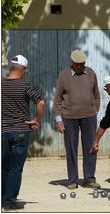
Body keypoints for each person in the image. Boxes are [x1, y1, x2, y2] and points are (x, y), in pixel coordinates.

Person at [2, 55, 45, 211]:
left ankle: (3, 199)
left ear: (12, 68)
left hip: (2, 132)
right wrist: (36, 120)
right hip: (20, 131)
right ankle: (9, 202)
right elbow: (41, 102)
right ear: (23, 69)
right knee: (15, 168)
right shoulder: (25, 85)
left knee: (4, 167)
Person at [53, 49, 101, 190]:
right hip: (69, 118)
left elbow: (96, 94)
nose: (80, 66)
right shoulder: (63, 75)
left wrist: (94, 109)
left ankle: (89, 179)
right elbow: (57, 99)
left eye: (82, 63)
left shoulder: (91, 73)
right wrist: (58, 119)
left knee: (91, 148)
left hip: (89, 117)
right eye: (77, 64)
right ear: (72, 62)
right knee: (71, 149)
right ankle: (72, 180)